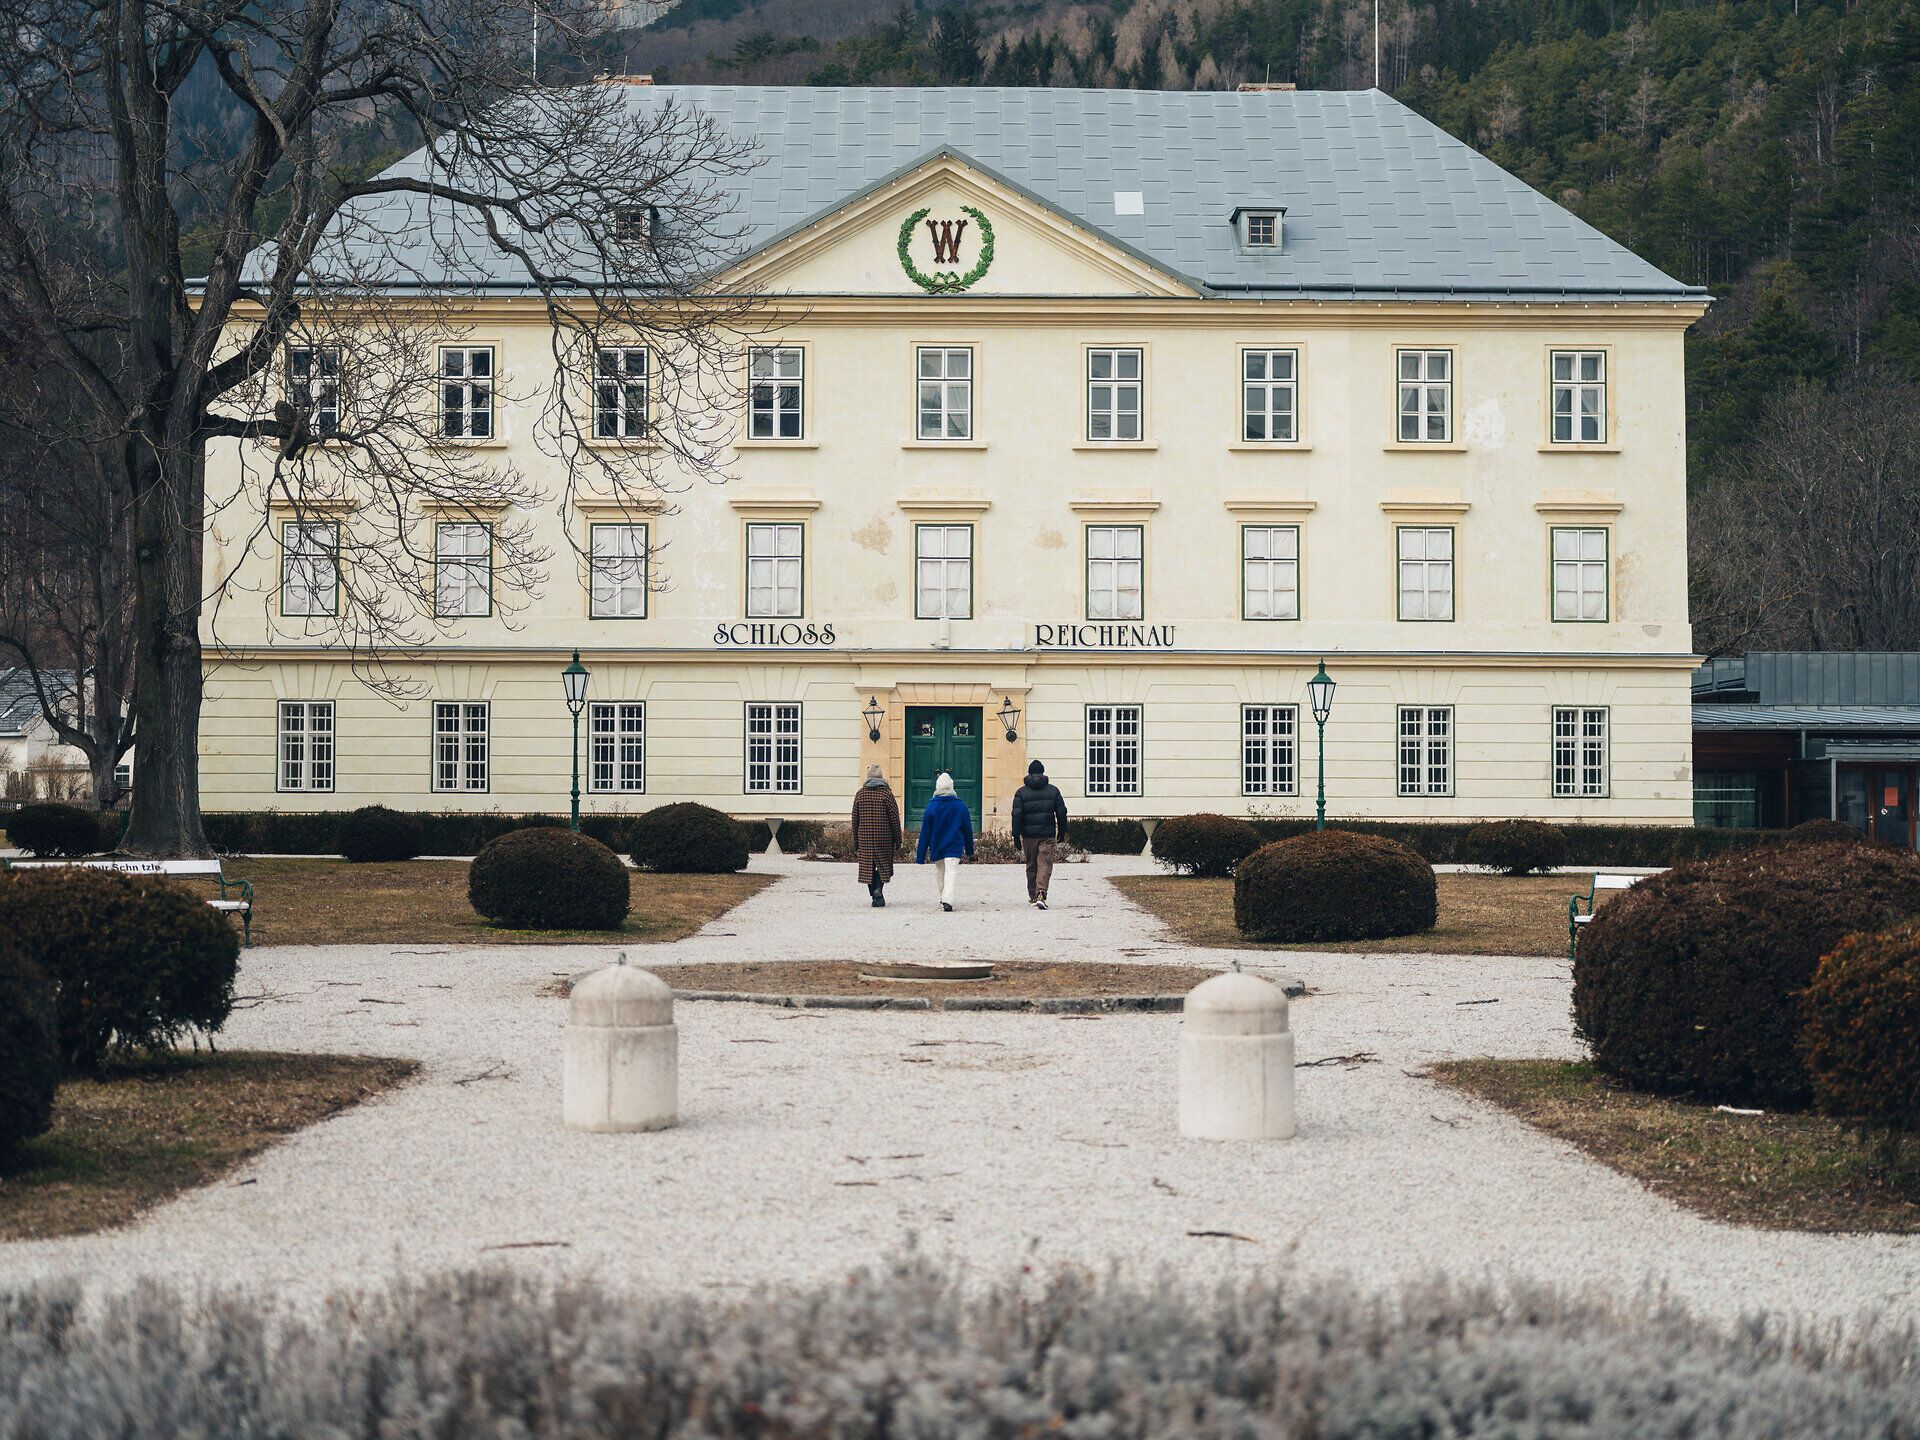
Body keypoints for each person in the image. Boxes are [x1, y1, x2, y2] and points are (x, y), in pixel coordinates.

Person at [1010, 758, 1068, 909]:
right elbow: (1061, 812)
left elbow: (1016, 815)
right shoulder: (1053, 790)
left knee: (1031, 865)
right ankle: (1041, 892)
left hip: (1028, 835)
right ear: (1043, 773)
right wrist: (1062, 831)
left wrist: (1016, 836)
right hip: (1047, 834)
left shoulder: (1021, 792)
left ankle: (1032, 895)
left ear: (1029, 773)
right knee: (1044, 864)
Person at [915, 771, 975, 911]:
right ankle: (947, 899)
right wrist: (970, 851)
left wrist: (920, 856)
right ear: (951, 787)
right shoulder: (960, 806)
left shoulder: (931, 807)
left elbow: (925, 833)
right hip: (954, 845)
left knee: (940, 872)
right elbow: (967, 830)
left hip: (937, 845)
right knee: (951, 872)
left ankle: (944, 898)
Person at [850, 763, 902, 907]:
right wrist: (898, 839)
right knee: (884, 866)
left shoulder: (860, 793)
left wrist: (856, 840)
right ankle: (878, 889)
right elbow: (894, 818)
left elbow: (855, 818)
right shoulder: (886, 794)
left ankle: (874, 895)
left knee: (868, 867)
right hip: (884, 837)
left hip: (865, 837)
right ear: (881, 777)